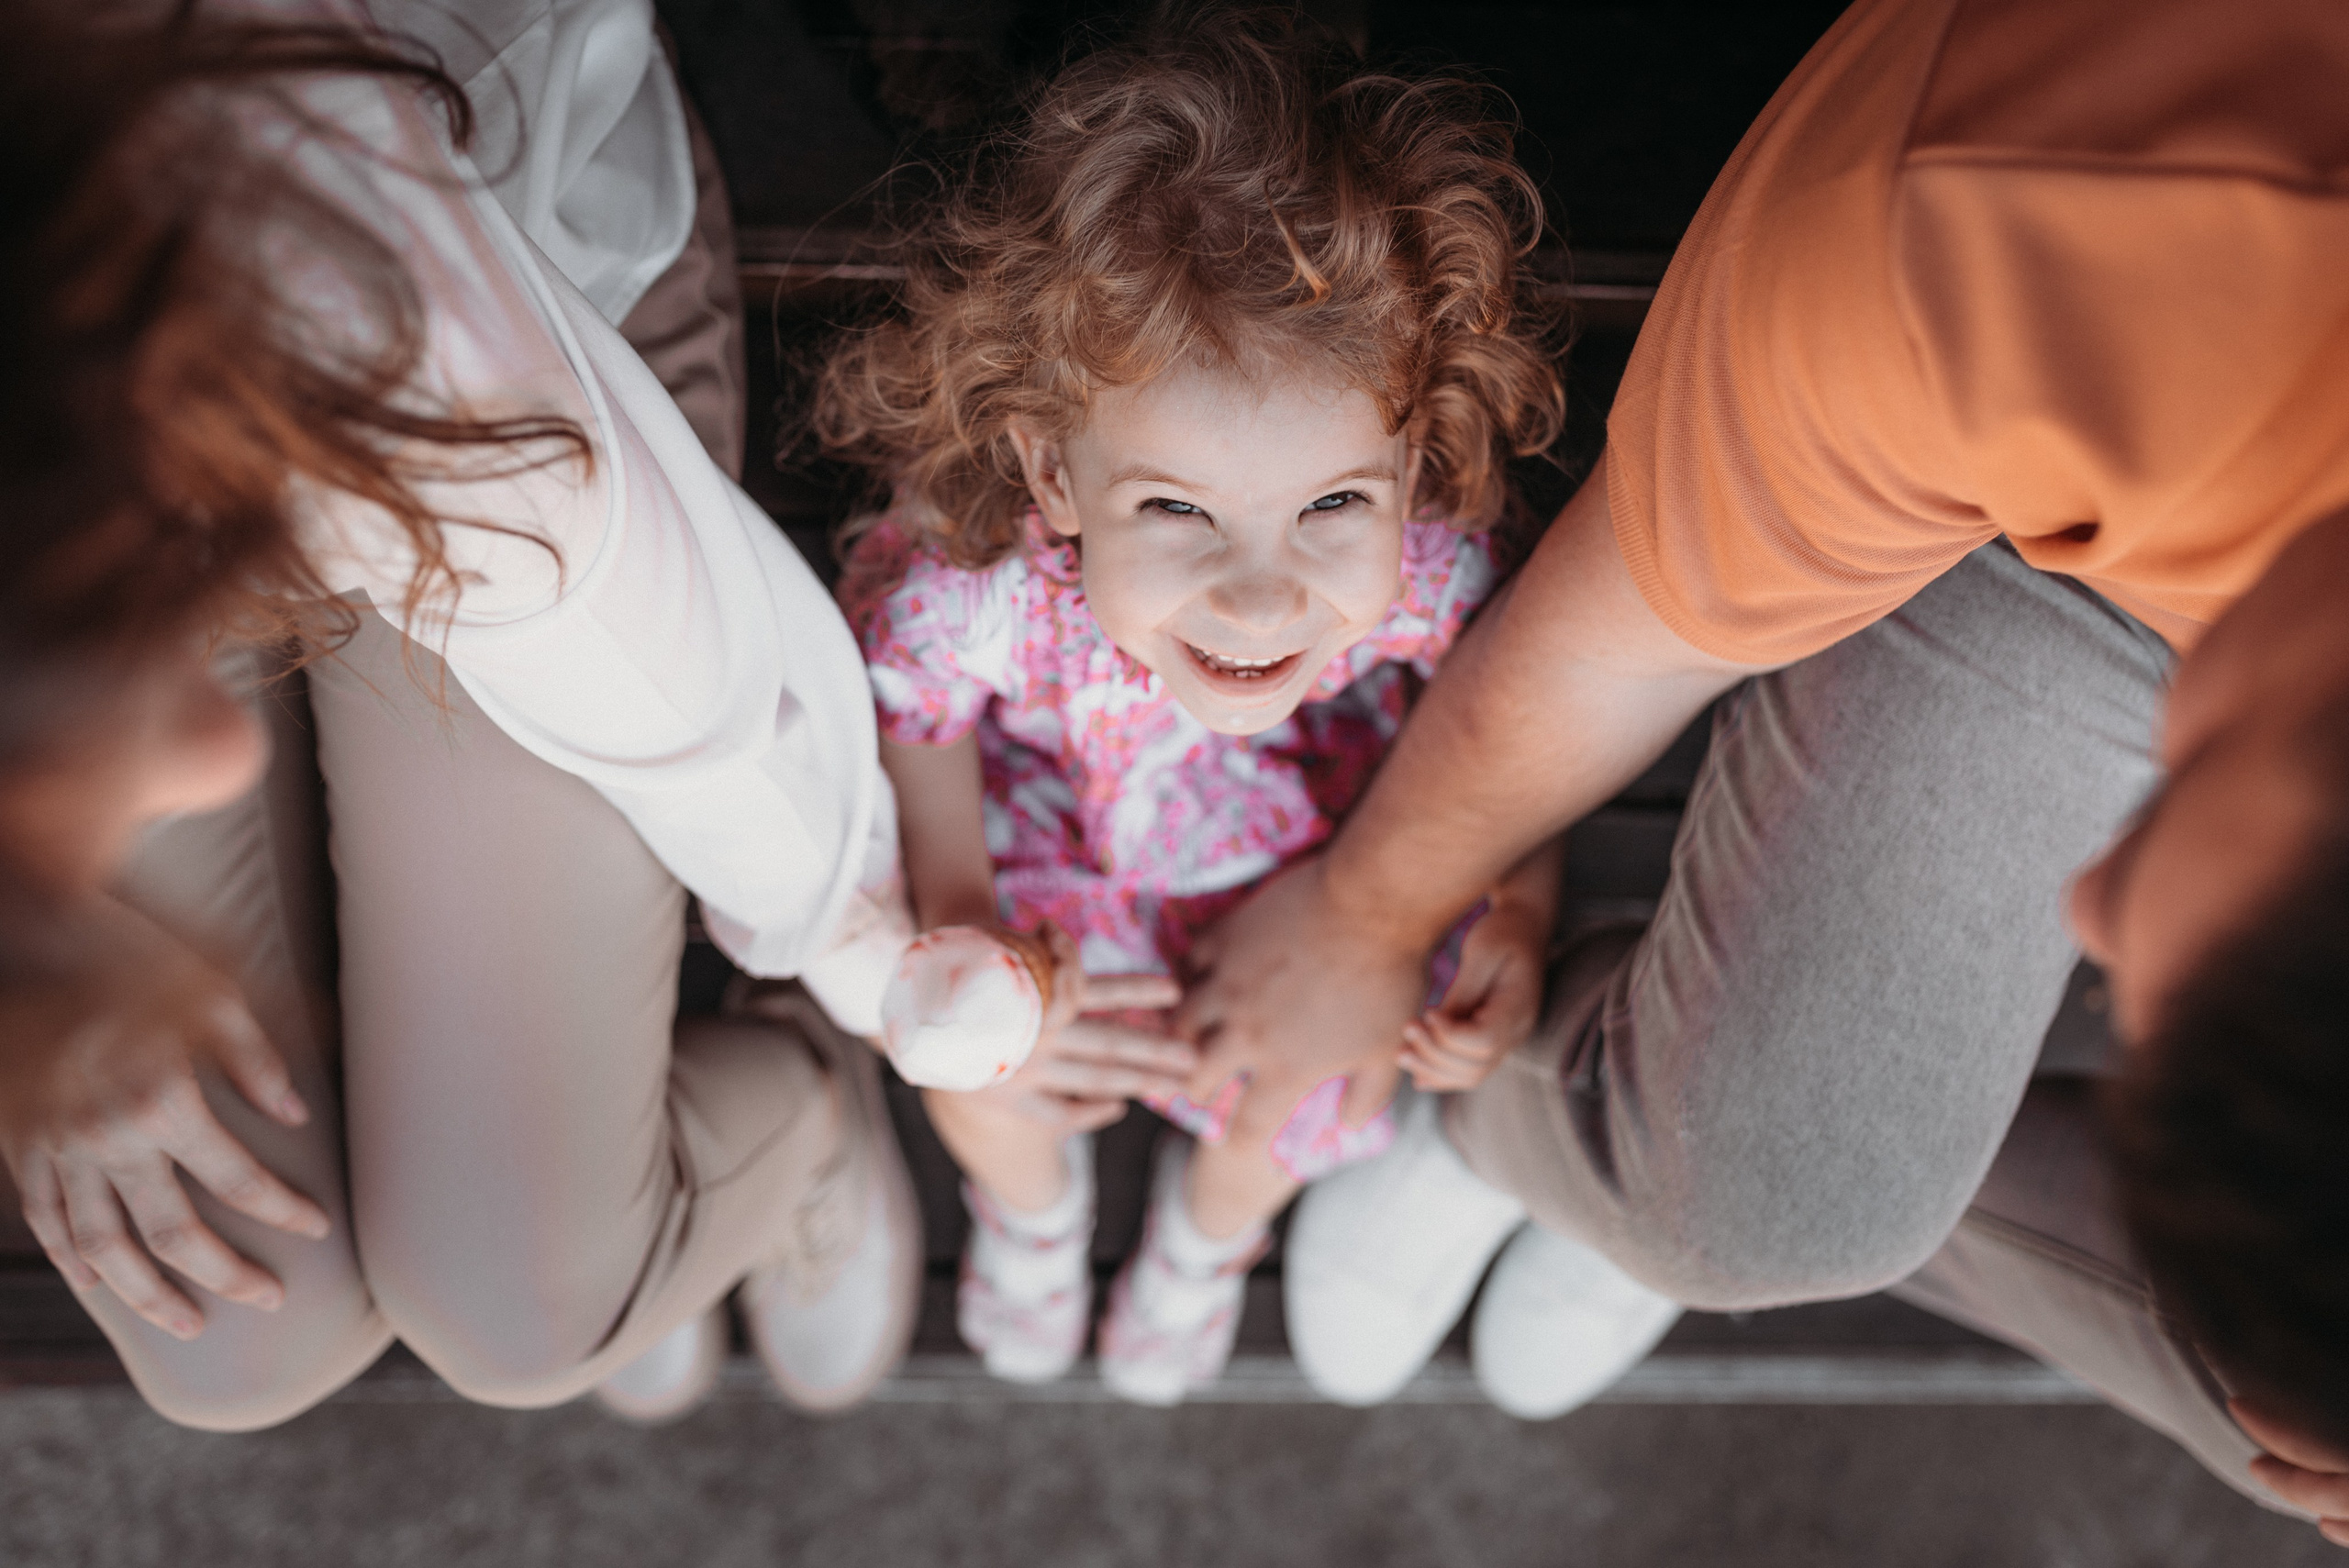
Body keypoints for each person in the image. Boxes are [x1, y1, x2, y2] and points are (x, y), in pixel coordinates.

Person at [1175, 0, 2349, 1528]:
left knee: (2289, 1383)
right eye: (2172, 915)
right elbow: (1630, 631)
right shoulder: (2025, 231)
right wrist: (1370, 913)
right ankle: (1559, 1120)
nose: (2094, 909)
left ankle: (1643, 1134)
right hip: (2077, 546)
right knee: (1750, 1191)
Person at [0, 0, 917, 1430]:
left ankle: (800, 1088)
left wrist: (858, 954)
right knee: (235, 1338)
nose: (218, 746)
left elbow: (702, 708)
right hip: (167, 412)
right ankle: (617, 1158)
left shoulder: (385, 328)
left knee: (526, 1304)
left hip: (468, 311)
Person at [808, 11, 1671, 1407]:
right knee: (973, 1063)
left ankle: (1207, 1244)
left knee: (1326, 1081)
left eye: (1336, 501)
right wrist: (964, 907)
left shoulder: (1437, 569)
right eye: (1175, 510)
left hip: (1311, 853)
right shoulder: (976, 589)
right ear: (1056, 476)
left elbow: (1516, 709)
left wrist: (1515, 901)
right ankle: (1034, 1222)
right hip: (1055, 855)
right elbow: (917, 711)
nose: (1262, 602)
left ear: (1413, 443)